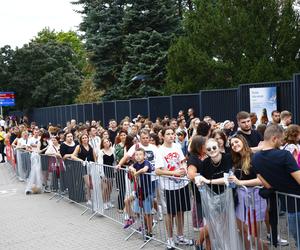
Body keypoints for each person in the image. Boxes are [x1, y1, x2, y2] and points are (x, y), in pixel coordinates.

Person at [252, 125, 300, 249]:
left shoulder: (255, 158)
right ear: (274, 138)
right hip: (296, 200)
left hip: (287, 204)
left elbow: (267, 184)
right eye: (281, 139)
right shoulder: (284, 155)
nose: (282, 142)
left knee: (297, 238)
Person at [155, 127, 192, 249]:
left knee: (181, 211)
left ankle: (180, 236)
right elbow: (158, 171)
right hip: (169, 187)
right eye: (168, 134)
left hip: (182, 184)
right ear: (163, 136)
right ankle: (170, 239)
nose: (171, 136)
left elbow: (182, 161)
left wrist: (184, 168)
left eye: (173, 134)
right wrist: (174, 173)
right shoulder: (160, 150)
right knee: (170, 213)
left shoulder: (176, 146)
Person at [228, 134, 267, 250]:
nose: (234, 145)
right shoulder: (236, 159)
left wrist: (240, 183)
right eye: (232, 144)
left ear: (243, 141)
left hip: (255, 198)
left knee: (254, 235)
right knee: (244, 232)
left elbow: (261, 180)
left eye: (236, 142)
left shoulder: (254, 157)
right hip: (241, 199)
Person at [128, 148, 153, 239]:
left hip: (147, 191)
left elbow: (145, 169)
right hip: (139, 191)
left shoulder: (146, 163)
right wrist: (132, 169)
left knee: (147, 213)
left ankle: (150, 231)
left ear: (144, 155)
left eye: (140, 154)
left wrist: (136, 173)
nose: (138, 156)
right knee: (139, 211)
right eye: (136, 154)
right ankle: (144, 227)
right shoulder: (135, 164)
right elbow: (130, 167)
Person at [71, 133, 97, 206]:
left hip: (91, 166)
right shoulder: (79, 147)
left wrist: (95, 163)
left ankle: (90, 198)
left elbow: (94, 156)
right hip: (83, 167)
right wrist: (81, 160)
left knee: (91, 183)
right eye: (83, 138)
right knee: (88, 183)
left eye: (86, 138)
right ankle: (88, 198)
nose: (85, 139)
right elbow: (72, 156)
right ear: (81, 140)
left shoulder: (90, 146)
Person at [98, 138, 115, 210]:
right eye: (104, 142)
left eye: (107, 141)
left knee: (110, 188)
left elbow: (114, 162)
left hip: (111, 171)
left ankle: (108, 201)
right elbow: (100, 163)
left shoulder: (112, 150)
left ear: (109, 142)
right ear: (102, 144)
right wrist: (102, 174)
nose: (106, 143)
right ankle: (104, 202)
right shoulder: (101, 152)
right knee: (105, 188)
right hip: (104, 171)